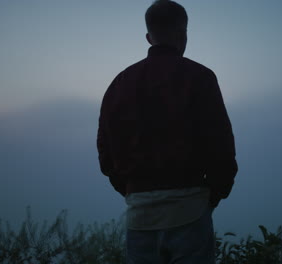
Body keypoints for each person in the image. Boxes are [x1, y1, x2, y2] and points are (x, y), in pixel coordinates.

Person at [97, 0, 237, 263]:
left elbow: (105, 151)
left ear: (149, 37)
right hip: (190, 210)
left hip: (140, 214)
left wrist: (132, 190)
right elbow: (221, 144)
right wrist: (213, 195)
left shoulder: (120, 82)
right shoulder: (200, 77)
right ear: (183, 34)